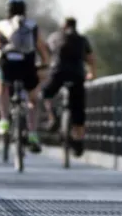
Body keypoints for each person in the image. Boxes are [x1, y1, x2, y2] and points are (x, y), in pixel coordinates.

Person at [0, 0, 51, 153]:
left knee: (2, 84)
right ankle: (33, 133)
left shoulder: (1, 25)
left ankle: (4, 120)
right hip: (27, 65)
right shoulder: (32, 26)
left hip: (8, 64)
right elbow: (42, 48)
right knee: (33, 99)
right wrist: (45, 64)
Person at [41, 17, 96, 156]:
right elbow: (90, 59)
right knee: (78, 108)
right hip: (77, 74)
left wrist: (44, 70)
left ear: (63, 26)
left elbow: (45, 55)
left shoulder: (54, 37)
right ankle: (78, 139)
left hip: (58, 73)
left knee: (46, 93)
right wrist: (92, 73)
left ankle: (52, 117)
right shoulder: (82, 39)